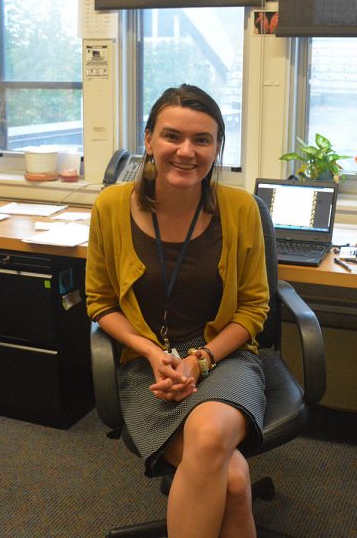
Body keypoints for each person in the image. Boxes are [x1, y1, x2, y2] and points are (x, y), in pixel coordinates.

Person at [86, 84, 270, 538]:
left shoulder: (240, 208)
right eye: (172, 136)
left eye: (202, 140)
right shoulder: (111, 207)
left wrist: (200, 359)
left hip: (222, 357)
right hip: (145, 365)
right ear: (149, 140)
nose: (186, 151)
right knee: (232, 480)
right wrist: (150, 351)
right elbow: (100, 303)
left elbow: (253, 309)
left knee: (209, 438)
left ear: (217, 148)